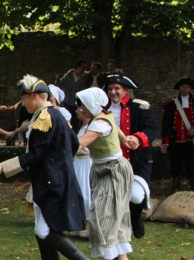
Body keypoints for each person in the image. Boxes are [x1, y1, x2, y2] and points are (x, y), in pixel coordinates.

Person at [0, 75, 87, 259]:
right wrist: (61, 163)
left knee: (44, 231)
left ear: (34, 95)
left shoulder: (45, 117)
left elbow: (36, 154)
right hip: (53, 178)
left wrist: (3, 167)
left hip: (51, 181)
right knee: (41, 230)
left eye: (24, 98)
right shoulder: (54, 114)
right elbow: (74, 143)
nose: (22, 102)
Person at [75, 87, 135, 259]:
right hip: (102, 170)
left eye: (83, 105)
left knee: (105, 218)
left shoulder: (99, 123)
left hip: (114, 171)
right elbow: (116, 128)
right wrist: (125, 139)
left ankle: (110, 256)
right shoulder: (102, 117)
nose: (81, 109)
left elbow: (80, 145)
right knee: (108, 218)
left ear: (92, 104)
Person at [102, 72, 159, 239]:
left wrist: (138, 138)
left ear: (126, 89)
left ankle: (135, 218)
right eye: (110, 89)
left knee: (135, 196)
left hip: (137, 159)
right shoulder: (103, 110)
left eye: (117, 88)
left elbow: (154, 129)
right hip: (112, 160)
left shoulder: (139, 107)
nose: (113, 92)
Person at [161, 77, 194, 191]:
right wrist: (165, 141)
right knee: (175, 166)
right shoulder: (172, 105)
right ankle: (175, 189)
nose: (185, 89)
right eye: (183, 87)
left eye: (187, 87)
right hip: (175, 140)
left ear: (190, 89)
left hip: (191, 142)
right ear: (179, 89)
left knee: (192, 166)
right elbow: (166, 124)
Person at [71, 103, 93, 238]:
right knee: (78, 193)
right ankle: (80, 223)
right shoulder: (83, 128)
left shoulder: (92, 128)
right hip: (78, 163)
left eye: (78, 109)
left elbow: (86, 148)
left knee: (86, 193)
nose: (76, 111)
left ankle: (90, 226)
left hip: (86, 164)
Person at [58, 59, 91, 130]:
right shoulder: (69, 76)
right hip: (68, 103)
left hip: (78, 105)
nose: (84, 70)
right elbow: (60, 84)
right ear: (77, 67)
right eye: (82, 67)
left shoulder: (86, 77)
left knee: (77, 125)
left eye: (85, 68)